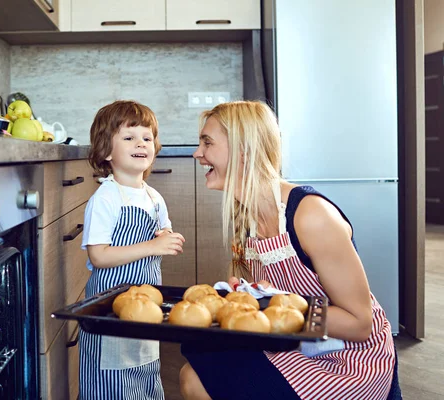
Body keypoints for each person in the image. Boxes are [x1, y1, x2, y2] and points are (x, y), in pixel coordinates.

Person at [180, 100, 399, 400]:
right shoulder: (245, 218)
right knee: (193, 374)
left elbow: (360, 324)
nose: (197, 153)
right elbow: (254, 291)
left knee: (200, 376)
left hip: (349, 362)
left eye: (207, 142)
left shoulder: (309, 215)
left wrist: (274, 303)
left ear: (244, 149)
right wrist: (244, 296)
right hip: (293, 343)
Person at [79, 100, 186, 400]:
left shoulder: (153, 197)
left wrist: (167, 237)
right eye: (129, 138)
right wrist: (153, 245)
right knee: (112, 378)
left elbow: (161, 230)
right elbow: (98, 256)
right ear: (106, 151)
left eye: (147, 138)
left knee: (143, 369)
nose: (141, 143)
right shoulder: (106, 198)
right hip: (111, 302)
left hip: (146, 299)